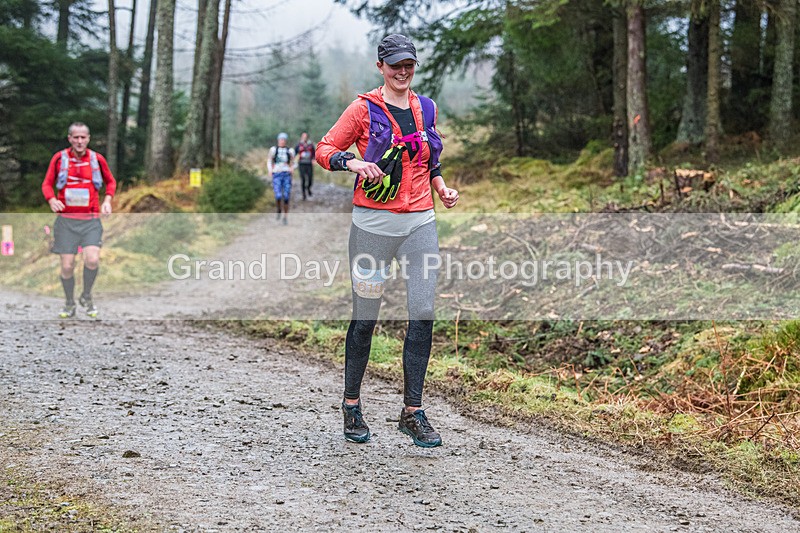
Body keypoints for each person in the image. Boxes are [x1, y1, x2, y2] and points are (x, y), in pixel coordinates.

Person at [317, 34, 459, 448]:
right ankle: (351, 405)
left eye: (408, 64)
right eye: (395, 64)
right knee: (366, 317)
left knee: (423, 311)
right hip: (372, 228)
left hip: (420, 224)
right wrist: (353, 162)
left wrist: (442, 187)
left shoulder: (426, 108)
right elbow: (325, 148)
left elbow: (431, 160)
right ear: (380, 66)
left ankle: (412, 412)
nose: (402, 71)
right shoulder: (362, 109)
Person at [41, 122, 116, 318]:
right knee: (67, 266)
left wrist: (107, 201)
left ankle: (86, 295)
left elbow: (111, 182)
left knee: (92, 259)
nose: (80, 141)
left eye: (83, 137)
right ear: (70, 139)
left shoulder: (97, 159)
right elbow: (47, 184)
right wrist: (52, 200)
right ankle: (69, 303)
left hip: (90, 221)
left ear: (88, 139)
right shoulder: (59, 159)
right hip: (66, 222)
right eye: (76, 137)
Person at [267, 132, 296, 225]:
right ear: (278, 140)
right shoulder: (273, 150)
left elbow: (294, 162)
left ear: (286, 141)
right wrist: (270, 170)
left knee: (286, 196)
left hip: (286, 174)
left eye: (284, 140)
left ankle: (285, 216)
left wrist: (292, 168)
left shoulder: (290, 151)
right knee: (278, 195)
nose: (282, 141)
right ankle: (279, 208)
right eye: (281, 139)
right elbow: (269, 160)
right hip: (277, 174)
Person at [295, 132, 315, 200]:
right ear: (301, 137)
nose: (304, 138)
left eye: (305, 137)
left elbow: (314, 153)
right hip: (301, 163)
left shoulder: (311, 144)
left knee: (310, 178)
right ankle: (303, 194)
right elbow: (294, 153)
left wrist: (313, 159)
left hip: (309, 163)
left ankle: (308, 188)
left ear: (307, 137)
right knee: (303, 179)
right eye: (303, 136)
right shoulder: (299, 144)